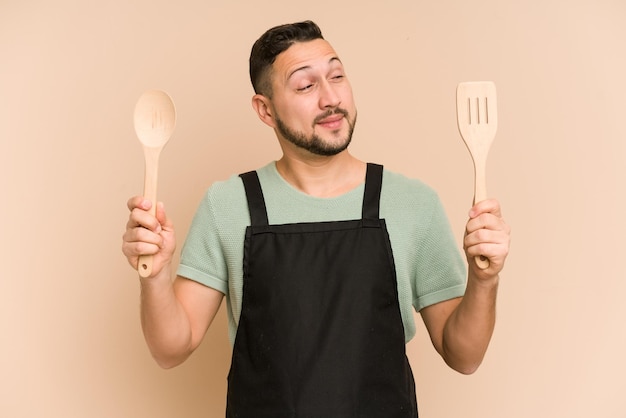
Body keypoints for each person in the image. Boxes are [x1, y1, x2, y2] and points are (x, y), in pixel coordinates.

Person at [122, 20, 510, 417]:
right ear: (265, 110)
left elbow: (464, 355)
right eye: (306, 86)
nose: (330, 98)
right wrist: (154, 277)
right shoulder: (229, 204)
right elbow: (171, 349)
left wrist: (484, 279)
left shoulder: (412, 203)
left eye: (337, 76)